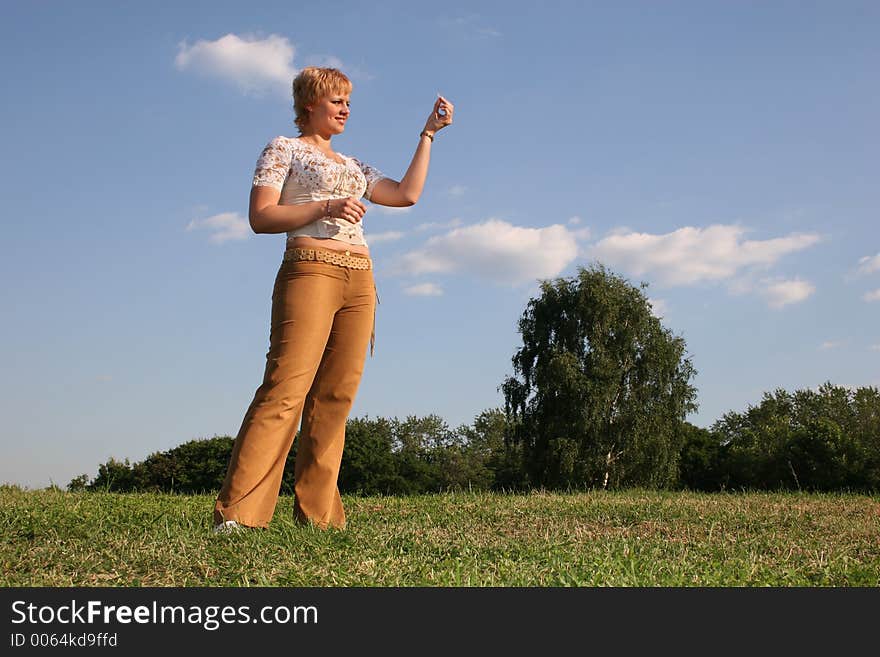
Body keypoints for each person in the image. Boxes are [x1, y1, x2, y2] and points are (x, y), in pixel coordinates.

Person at [213, 67, 454, 532]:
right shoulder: (283, 148)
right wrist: (325, 206)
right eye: (336, 101)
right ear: (309, 105)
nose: (345, 109)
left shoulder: (354, 166)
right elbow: (261, 216)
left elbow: (406, 195)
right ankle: (239, 517)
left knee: (336, 397)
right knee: (286, 387)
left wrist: (429, 133)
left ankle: (319, 520)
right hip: (310, 268)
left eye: (348, 102)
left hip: (360, 277)